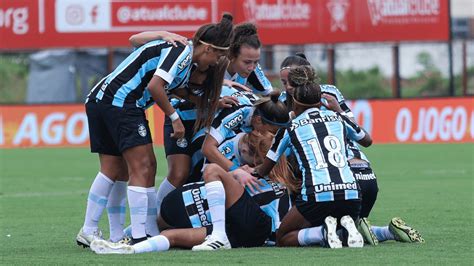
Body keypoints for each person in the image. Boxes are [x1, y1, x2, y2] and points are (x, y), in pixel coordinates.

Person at [76, 14, 234, 247]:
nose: (217, 62)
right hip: (123, 103)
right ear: (208, 48)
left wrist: (211, 104)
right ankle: (142, 236)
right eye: (218, 55)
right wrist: (175, 117)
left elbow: (176, 90)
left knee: (114, 169)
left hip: (101, 100)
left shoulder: (183, 55)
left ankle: (99, 232)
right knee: (145, 165)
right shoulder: (182, 53)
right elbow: (155, 86)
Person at [279, 53, 424, 246]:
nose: (287, 87)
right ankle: (387, 231)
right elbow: (358, 131)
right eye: (283, 82)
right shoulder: (323, 95)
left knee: (304, 233)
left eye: (291, 81)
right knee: (346, 232)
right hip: (363, 178)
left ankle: (332, 230)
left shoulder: (319, 98)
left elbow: (281, 144)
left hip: (331, 179)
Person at [89, 131, 292, 254]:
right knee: (172, 236)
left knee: (212, 171)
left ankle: (126, 241)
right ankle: (130, 249)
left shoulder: (259, 177)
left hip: (195, 208)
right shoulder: (275, 180)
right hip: (245, 229)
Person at [245, 66, 372, 249]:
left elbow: (265, 169)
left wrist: (250, 171)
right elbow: (367, 140)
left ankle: (322, 232)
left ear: (295, 103)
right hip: (352, 193)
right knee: (332, 219)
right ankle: (342, 230)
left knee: (283, 237)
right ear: (320, 102)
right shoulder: (338, 117)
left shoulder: (290, 127)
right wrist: (340, 113)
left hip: (317, 194)